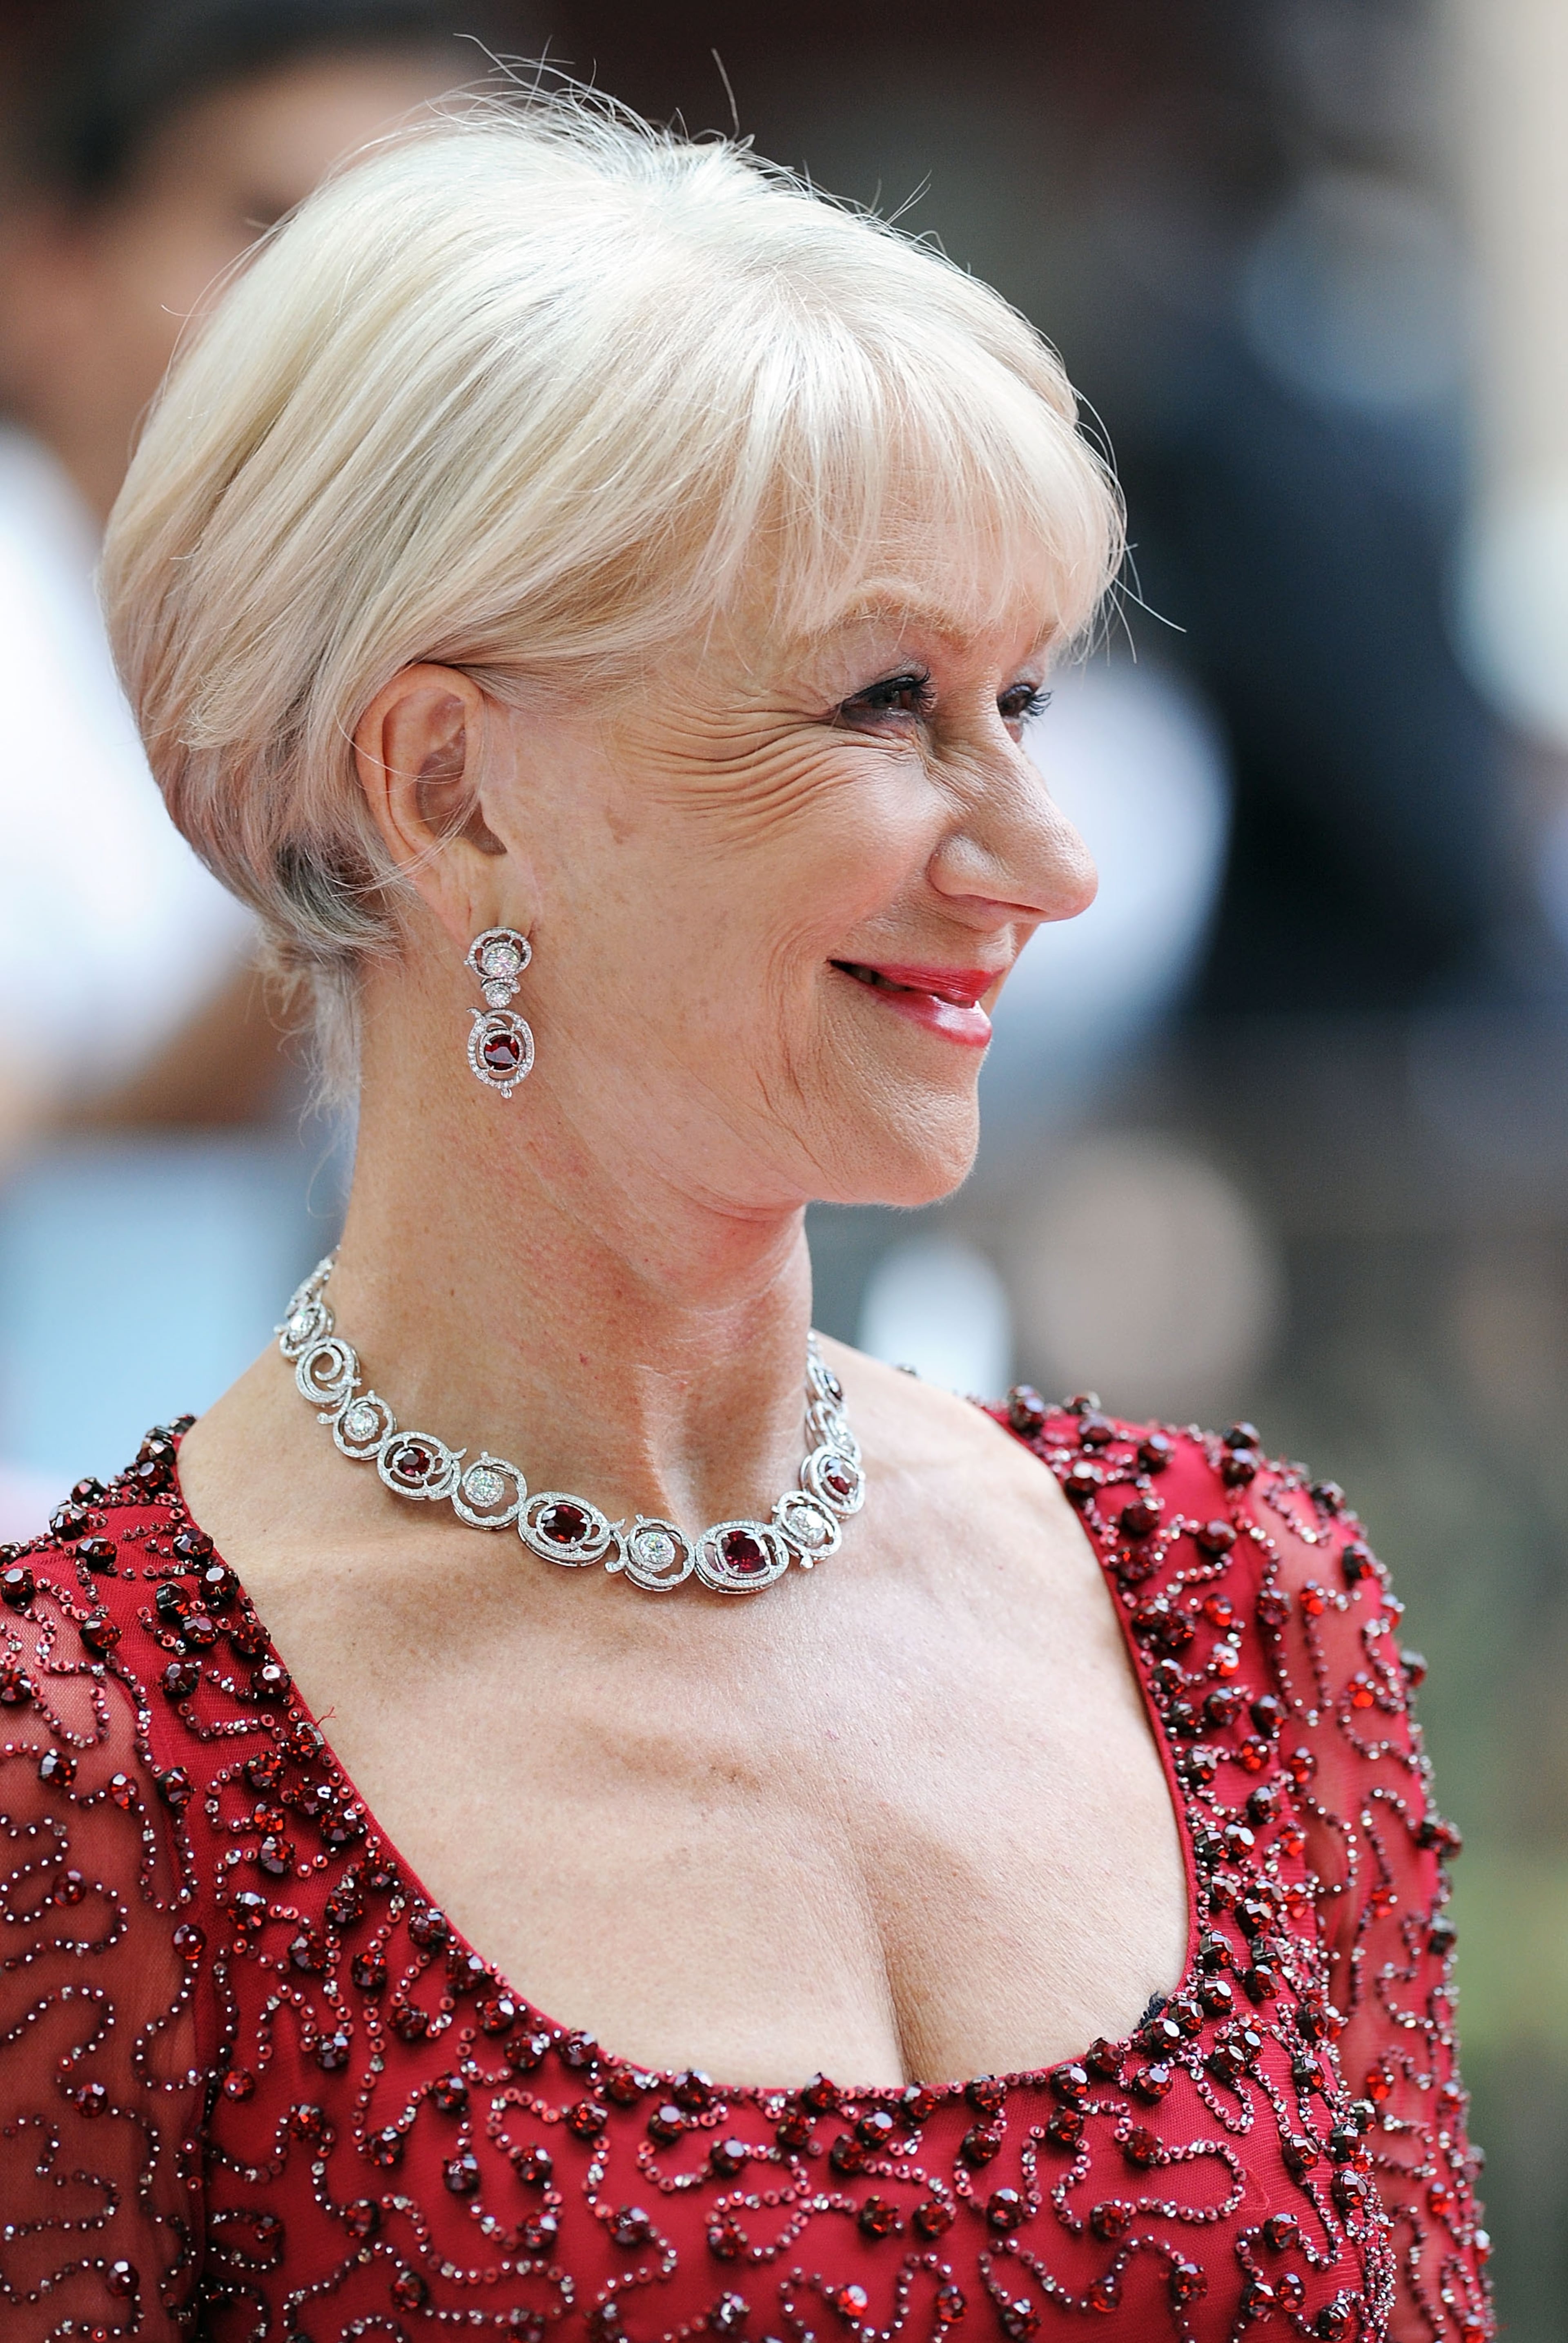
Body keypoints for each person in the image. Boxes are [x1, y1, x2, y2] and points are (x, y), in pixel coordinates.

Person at [0, 95, 1490, 2342]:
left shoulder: (1238, 1607)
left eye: (1022, 699)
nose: (1051, 860)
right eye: (886, 705)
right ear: (449, 787)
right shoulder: (94, 1762)